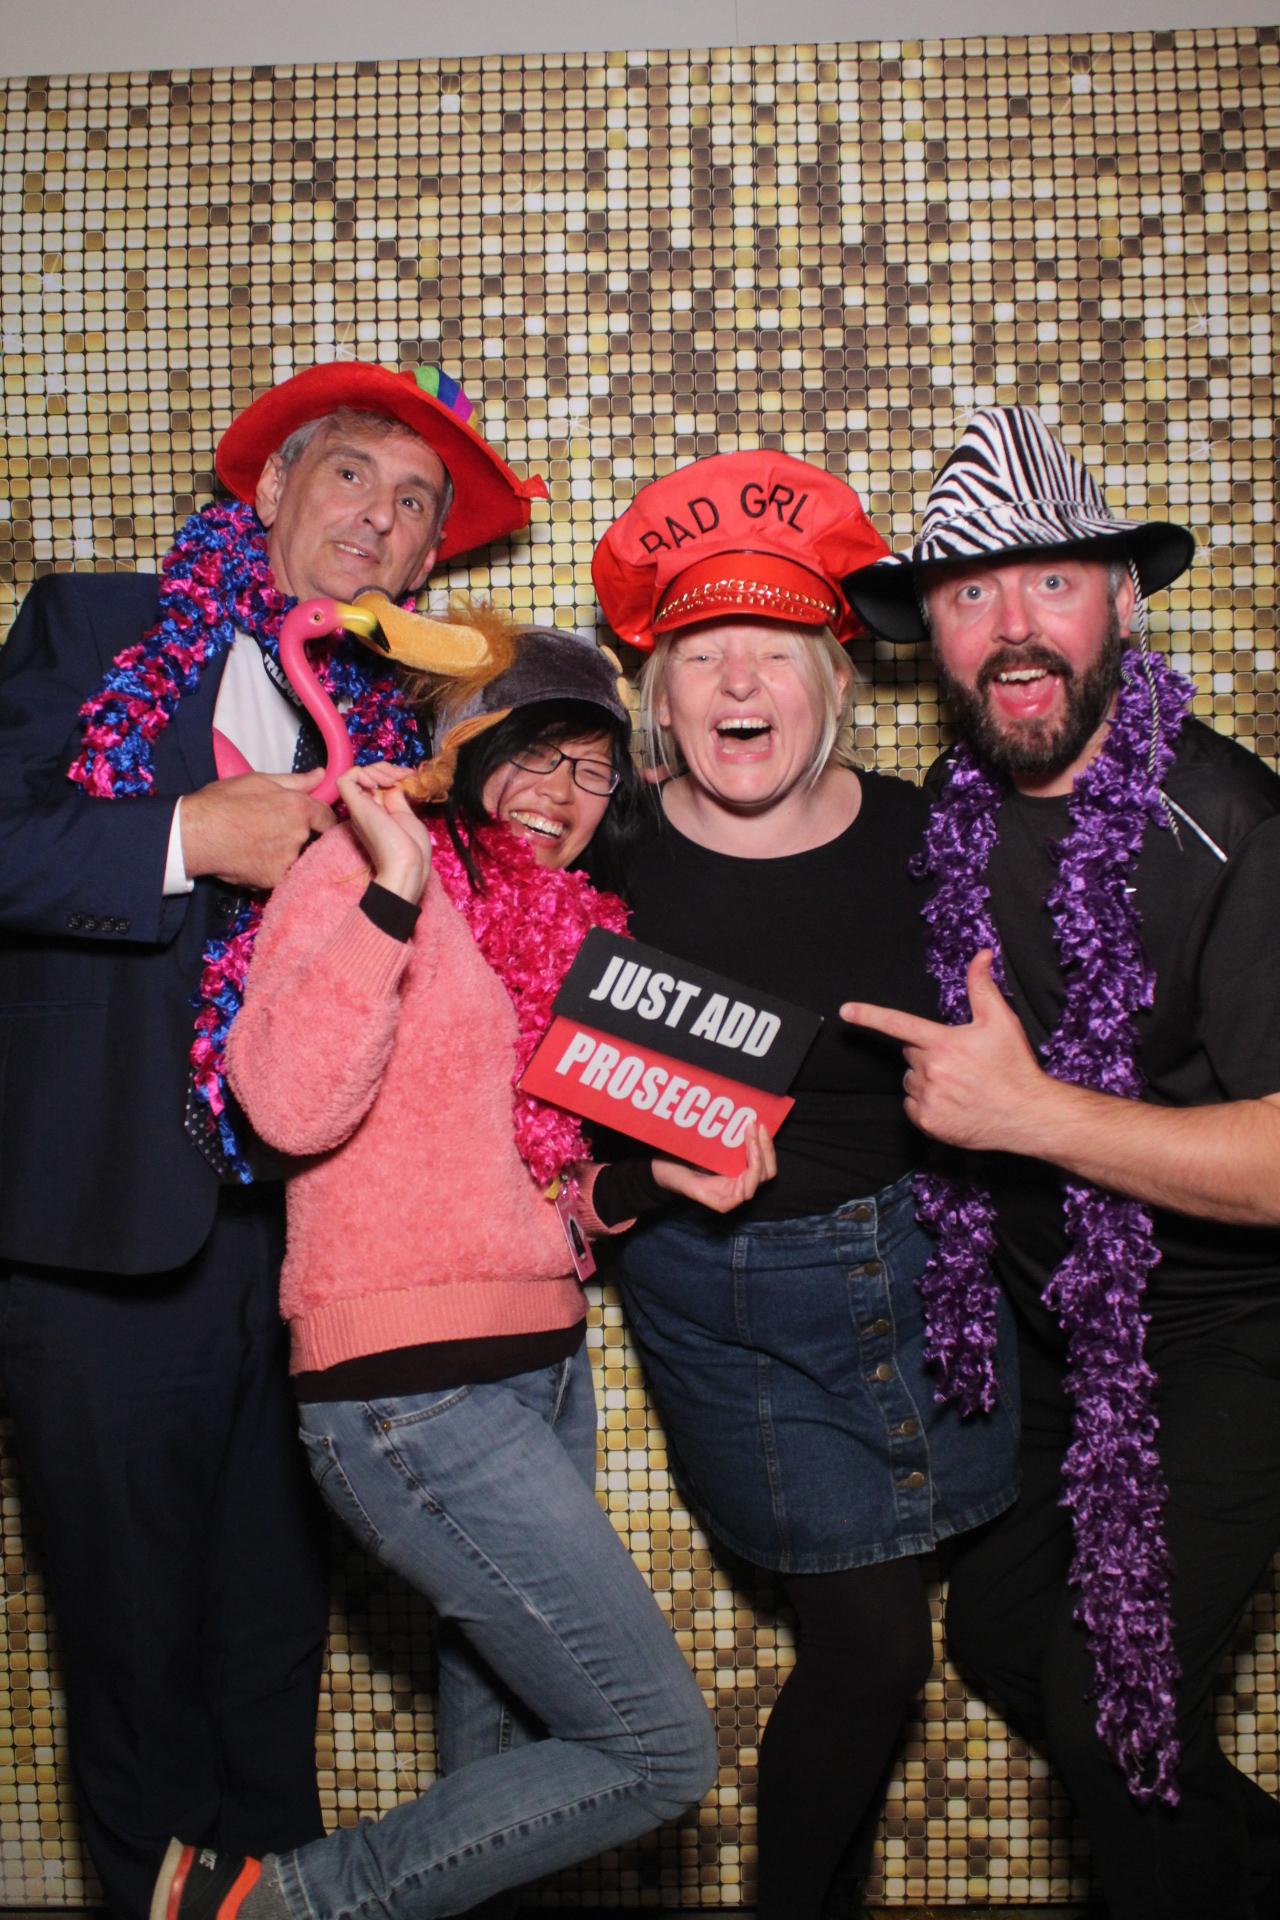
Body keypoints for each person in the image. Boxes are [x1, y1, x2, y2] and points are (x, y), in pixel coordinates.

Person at [0, 359, 545, 1920]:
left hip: (310, 1246)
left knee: (272, 1635)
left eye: (416, 503)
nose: (381, 517)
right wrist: (187, 836)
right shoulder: (97, 627)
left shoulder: (398, 720)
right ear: (273, 490)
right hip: (107, 1230)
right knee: (132, 1646)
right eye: (354, 474)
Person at [152, 626, 734, 1920]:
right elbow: (285, 1103)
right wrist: (395, 888)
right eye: (535, 753)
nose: (565, 793)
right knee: (657, 1751)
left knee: (509, 1779)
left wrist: (650, 1182)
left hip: (543, 1369)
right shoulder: (359, 871)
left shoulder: (568, 931)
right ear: (463, 752)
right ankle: (276, 1904)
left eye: (594, 770)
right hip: (413, 1392)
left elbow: (531, 1188)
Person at [841, 405, 1280, 1920]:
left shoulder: (1229, 825)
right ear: (935, 637)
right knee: (998, 1636)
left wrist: (1029, 1117)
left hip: (1226, 1338)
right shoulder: (948, 821)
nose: (1014, 627)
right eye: (971, 592)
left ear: (1124, 603)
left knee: (1108, 1717)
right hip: (1051, 1341)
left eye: (1051, 582)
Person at [589, 452, 1020, 1920]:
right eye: (702, 652)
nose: (737, 683)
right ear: (658, 699)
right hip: (730, 1304)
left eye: (773, 650)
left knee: (1031, 1599)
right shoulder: (601, 851)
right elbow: (514, 1096)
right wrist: (638, 1174)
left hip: (928, 1265)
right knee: (877, 1649)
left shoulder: (928, 838)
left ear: (835, 682)